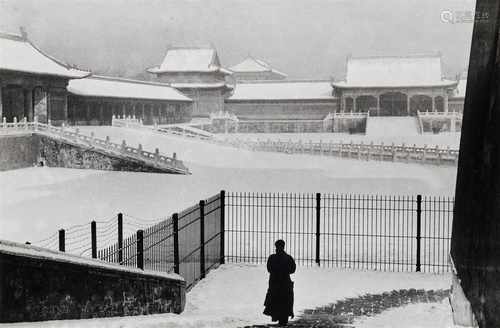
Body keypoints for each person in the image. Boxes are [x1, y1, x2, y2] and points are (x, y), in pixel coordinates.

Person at [263, 239, 296, 326]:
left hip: (275, 282)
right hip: (285, 282)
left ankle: (277, 315)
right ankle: (283, 317)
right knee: (285, 300)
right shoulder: (288, 258)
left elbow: (269, 269)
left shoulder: (272, 258)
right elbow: (293, 269)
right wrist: (284, 271)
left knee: (275, 300)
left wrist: (277, 271)